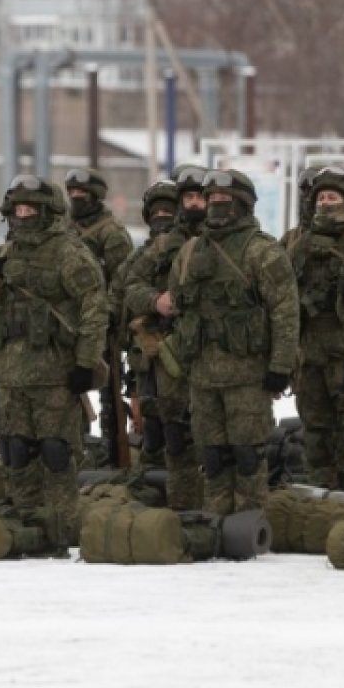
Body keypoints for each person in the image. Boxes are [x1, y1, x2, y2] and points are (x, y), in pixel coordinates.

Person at [0, 175, 108, 554]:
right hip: (7, 378)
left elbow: (94, 309)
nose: (22, 216)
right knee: (15, 452)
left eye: (30, 210)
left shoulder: (69, 255)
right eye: (18, 210)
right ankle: (26, 528)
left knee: (56, 454)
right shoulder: (0, 257)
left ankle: (61, 530)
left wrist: (85, 363)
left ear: (48, 212)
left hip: (55, 377)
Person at [168, 169, 298, 515]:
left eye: (224, 200)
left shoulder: (262, 251)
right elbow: (178, 303)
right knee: (212, 456)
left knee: (247, 455)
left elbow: (285, 313)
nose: (216, 206)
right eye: (211, 199)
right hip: (202, 375)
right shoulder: (190, 252)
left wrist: (281, 366)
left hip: (247, 376)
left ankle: (248, 524)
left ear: (242, 205)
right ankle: (216, 522)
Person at [122, 171, 204, 508]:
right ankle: (179, 508)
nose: (195, 204)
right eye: (188, 198)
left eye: (201, 197)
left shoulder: (241, 245)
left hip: (222, 357)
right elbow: (129, 287)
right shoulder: (161, 246)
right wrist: (156, 301)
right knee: (172, 434)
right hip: (170, 356)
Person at [285, 166, 344, 491]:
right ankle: (322, 499)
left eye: (332, 197)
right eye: (321, 198)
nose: (325, 203)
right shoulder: (301, 245)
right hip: (310, 357)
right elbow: (282, 294)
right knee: (315, 432)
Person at [64, 167, 133, 468]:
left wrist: (111, 316)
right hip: (67, 322)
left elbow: (123, 280)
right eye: (72, 193)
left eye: (82, 194)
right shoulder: (62, 228)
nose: (76, 198)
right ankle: (76, 450)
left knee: (109, 391)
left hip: (101, 322)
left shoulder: (112, 233)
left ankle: (112, 452)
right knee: (69, 389)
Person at [277, 166, 318, 251]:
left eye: (311, 191)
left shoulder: (342, 238)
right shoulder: (290, 237)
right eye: (304, 191)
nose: (307, 198)